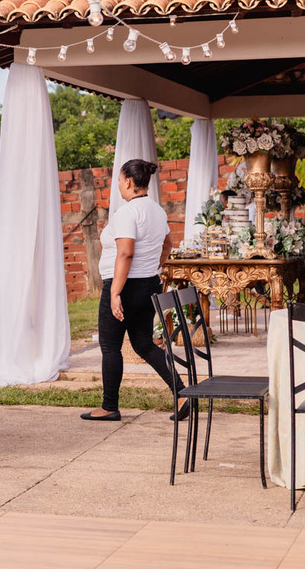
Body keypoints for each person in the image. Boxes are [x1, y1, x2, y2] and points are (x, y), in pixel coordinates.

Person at [82, 159, 186, 423]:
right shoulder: (157, 211)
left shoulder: (127, 213)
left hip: (125, 286)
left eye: (119, 180)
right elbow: (168, 244)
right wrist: (154, 266)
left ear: (128, 181)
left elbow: (126, 253)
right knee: (143, 344)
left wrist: (115, 293)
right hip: (148, 284)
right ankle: (182, 394)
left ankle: (109, 406)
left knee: (110, 346)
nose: (118, 185)